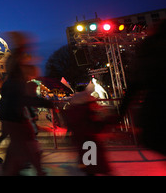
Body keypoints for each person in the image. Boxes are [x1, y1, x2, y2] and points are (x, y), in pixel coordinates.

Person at [0, 31, 54, 176]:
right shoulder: (17, 81)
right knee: (27, 142)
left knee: (19, 145)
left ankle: (11, 169)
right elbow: (24, 98)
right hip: (15, 116)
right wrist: (48, 104)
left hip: (10, 115)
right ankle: (35, 170)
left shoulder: (11, 81)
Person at [120, 19, 166, 156]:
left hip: (157, 109)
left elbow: (136, 82)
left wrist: (121, 111)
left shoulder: (150, 48)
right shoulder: (152, 48)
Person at [64, 83, 111, 176]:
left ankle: (89, 169)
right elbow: (97, 117)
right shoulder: (88, 102)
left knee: (88, 161)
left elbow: (70, 121)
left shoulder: (73, 103)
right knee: (95, 162)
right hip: (89, 136)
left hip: (81, 136)